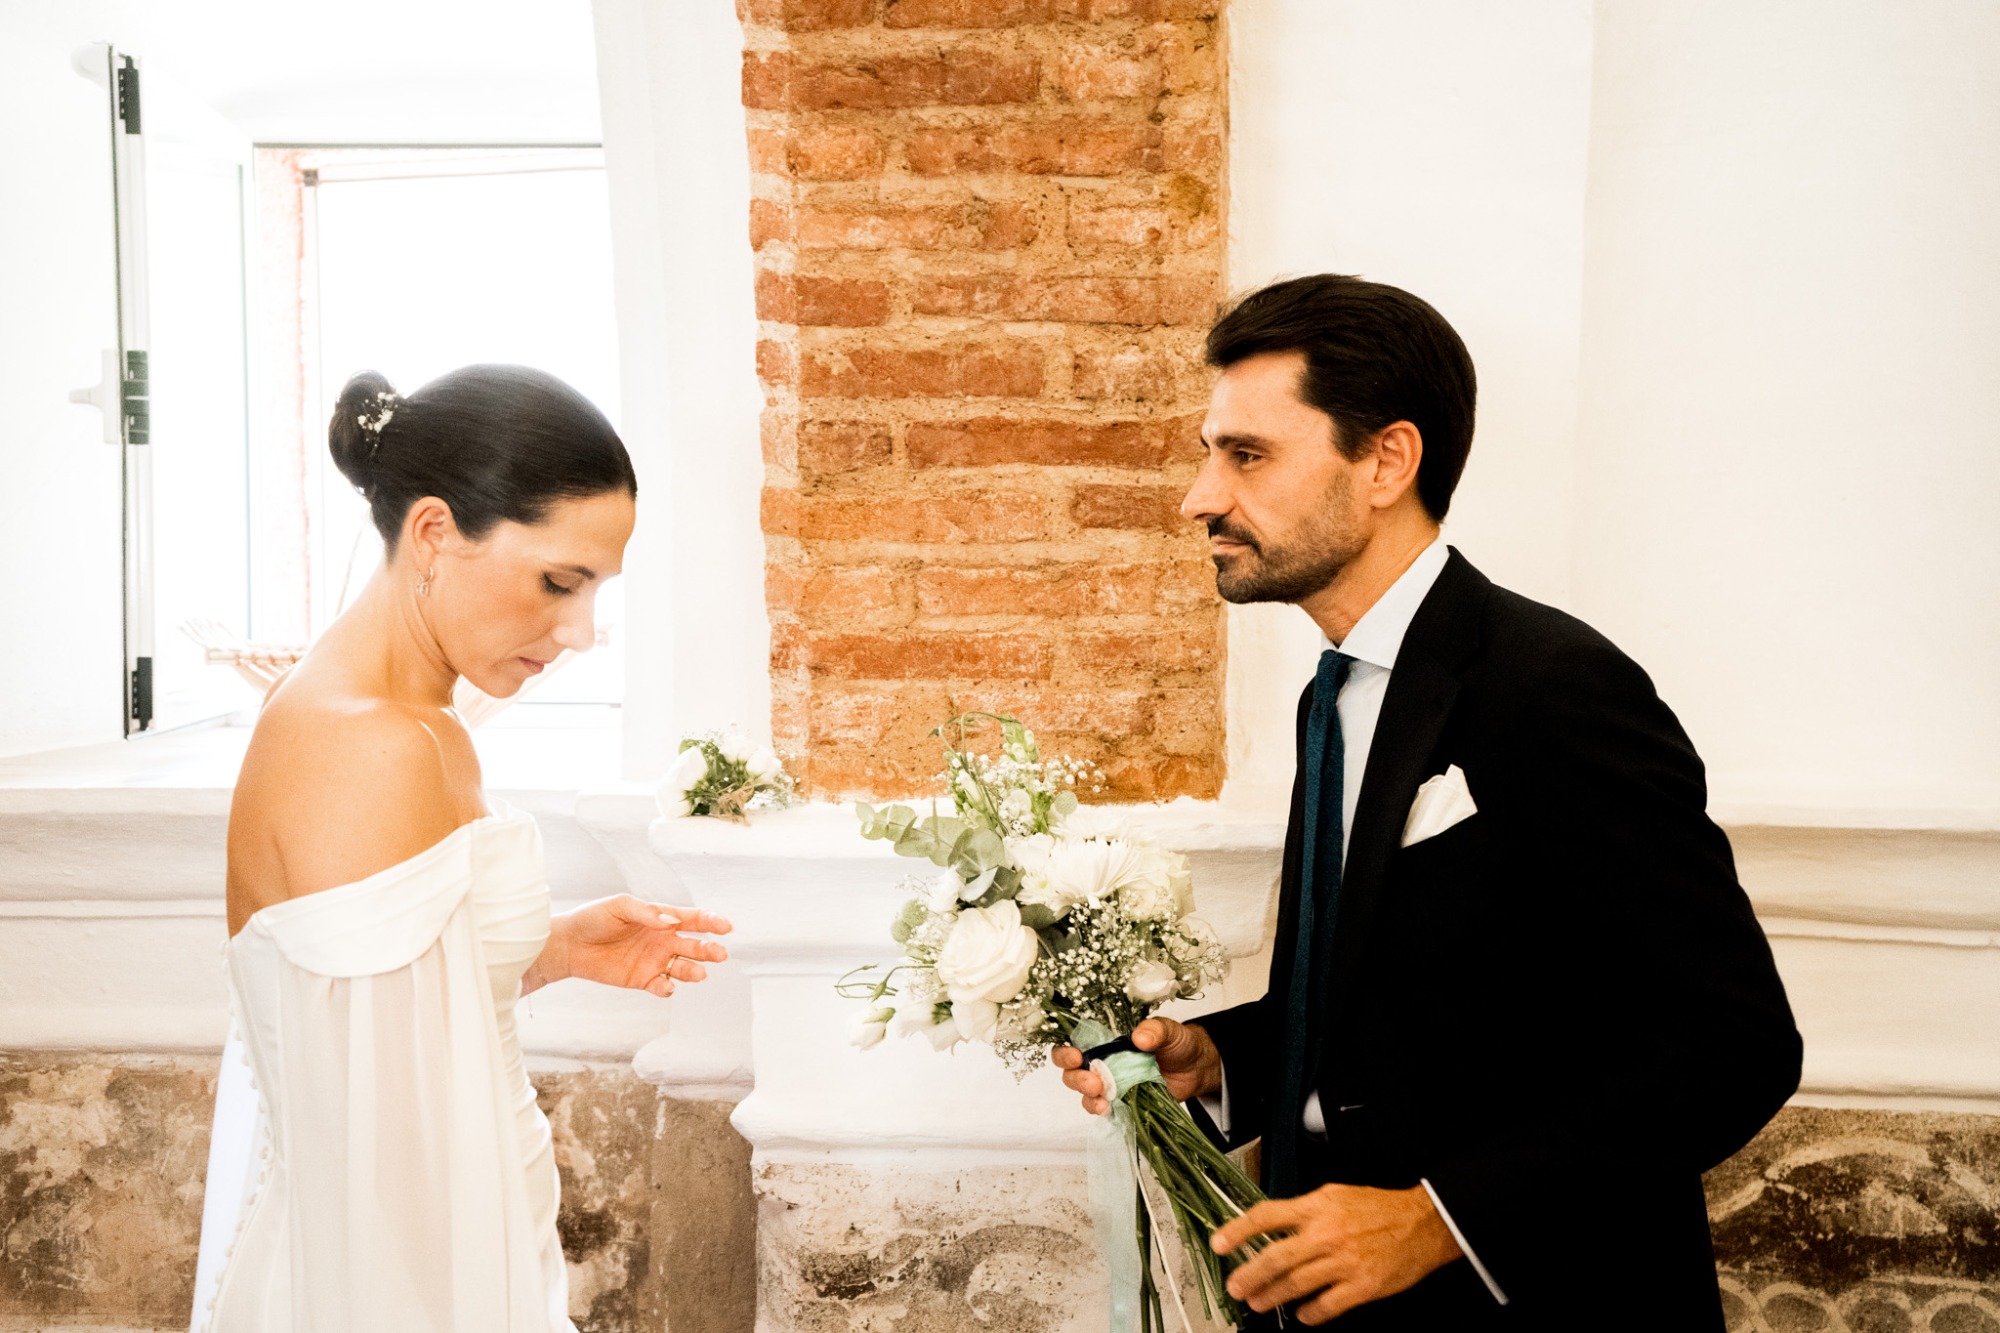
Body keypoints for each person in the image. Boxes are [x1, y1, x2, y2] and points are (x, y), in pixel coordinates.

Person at [1055, 275, 1802, 1329]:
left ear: (1385, 461)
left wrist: (1436, 1220)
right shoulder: (1334, 689)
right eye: (1210, 452)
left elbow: (1731, 1044)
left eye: (1247, 454)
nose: (1199, 495)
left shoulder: (1549, 685)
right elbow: (1389, 995)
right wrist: (1223, 1059)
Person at [191, 366, 732, 1332]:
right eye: (559, 582)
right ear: (434, 532)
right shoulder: (376, 744)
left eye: (596, 589)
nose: (579, 631)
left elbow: (361, 1021)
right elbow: (381, 1168)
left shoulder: (378, 716)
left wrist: (548, 950)